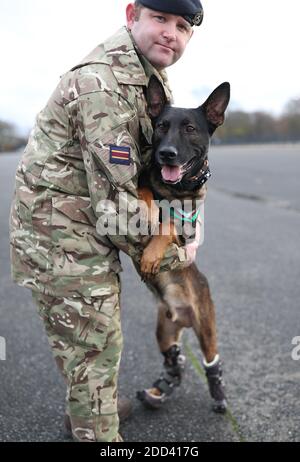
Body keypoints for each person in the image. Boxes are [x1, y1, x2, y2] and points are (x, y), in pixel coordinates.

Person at [9, 0, 204, 442]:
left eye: (182, 26)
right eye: (160, 18)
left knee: (93, 342)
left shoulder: (148, 74)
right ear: (132, 14)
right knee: (95, 340)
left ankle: (91, 404)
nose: (171, 33)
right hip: (59, 232)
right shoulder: (102, 84)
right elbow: (116, 209)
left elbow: (147, 170)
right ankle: (96, 427)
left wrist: (181, 222)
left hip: (85, 218)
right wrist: (176, 262)